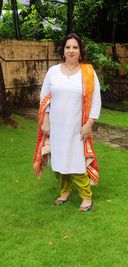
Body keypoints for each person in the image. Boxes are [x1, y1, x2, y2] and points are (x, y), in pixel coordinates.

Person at [33, 33, 101, 212]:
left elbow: (96, 100)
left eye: (75, 47)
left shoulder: (88, 72)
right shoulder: (53, 72)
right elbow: (44, 98)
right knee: (59, 162)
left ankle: (86, 196)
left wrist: (90, 123)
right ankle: (65, 191)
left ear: (80, 51)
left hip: (77, 127)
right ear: (63, 50)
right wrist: (45, 120)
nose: (71, 50)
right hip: (57, 127)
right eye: (68, 47)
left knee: (77, 161)